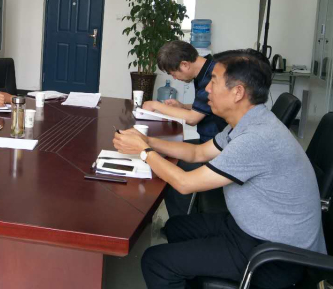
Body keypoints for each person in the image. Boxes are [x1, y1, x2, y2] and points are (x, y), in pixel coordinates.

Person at [113, 49, 326, 288]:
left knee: (155, 262)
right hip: (252, 227)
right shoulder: (248, 122)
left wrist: (144, 151)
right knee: (176, 227)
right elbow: (197, 153)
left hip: (273, 255)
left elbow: (185, 183)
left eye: (214, 81)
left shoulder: (256, 138)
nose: (207, 89)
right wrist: (147, 141)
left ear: (238, 92)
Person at [143, 40, 228, 216]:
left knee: (169, 168)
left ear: (185, 64)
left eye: (173, 73)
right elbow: (205, 108)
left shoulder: (212, 77)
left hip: (217, 144)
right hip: (212, 140)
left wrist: (156, 105)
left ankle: (182, 221)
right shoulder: (206, 68)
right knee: (168, 154)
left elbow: (193, 119)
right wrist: (183, 106)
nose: (174, 78)